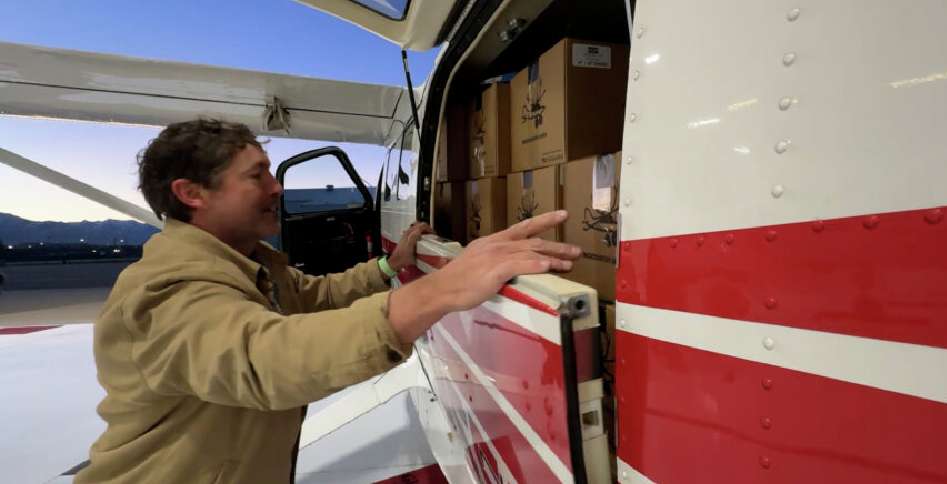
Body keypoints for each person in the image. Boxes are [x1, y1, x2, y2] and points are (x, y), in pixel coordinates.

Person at [76, 119, 580, 483]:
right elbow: (265, 360)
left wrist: (391, 265)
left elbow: (315, 297)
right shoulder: (167, 289)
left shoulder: (251, 263)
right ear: (191, 193)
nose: (277, 187)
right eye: (257, 176)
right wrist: (443, 288)